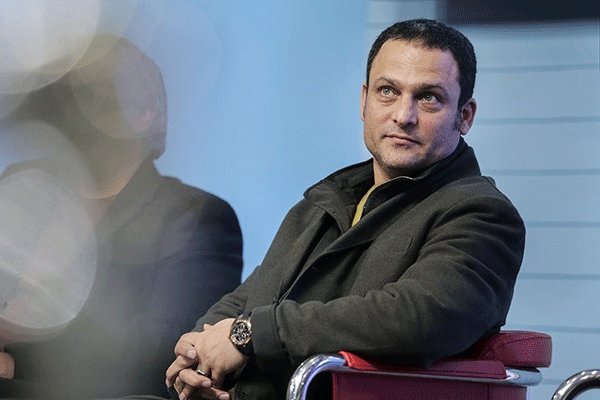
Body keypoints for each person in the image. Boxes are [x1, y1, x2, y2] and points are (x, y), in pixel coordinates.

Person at [166, 18, 525, 400]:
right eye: (388, 91)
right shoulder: (324, 202)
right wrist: (198, 353)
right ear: (364, 100)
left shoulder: (481, 214)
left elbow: (417, 317)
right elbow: (251, 296)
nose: (403, 115)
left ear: (464, 116)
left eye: (429, 97)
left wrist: (251, 334)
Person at [0, 36, 243, 399]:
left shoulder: (197, 217)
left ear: (143, 114)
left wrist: (18, 361)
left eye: (90, 94)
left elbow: (162, 348)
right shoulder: (25, 183)